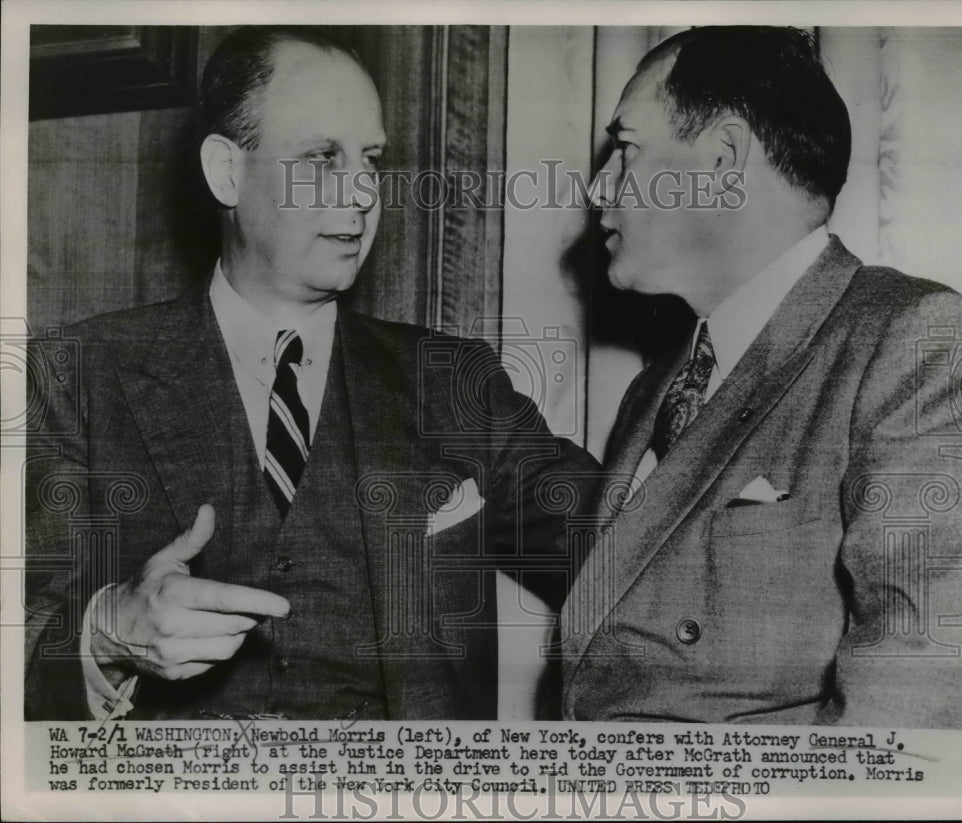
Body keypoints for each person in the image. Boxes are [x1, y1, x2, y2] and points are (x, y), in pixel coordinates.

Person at [24, 26, 599, 721]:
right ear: (226, 171)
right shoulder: (77, 377)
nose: (362, 193)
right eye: (322, 158)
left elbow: (632, 543)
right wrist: (105, 634)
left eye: (371, 160)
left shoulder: (453, 382)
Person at [562, 26, 962, 728]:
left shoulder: (914, 341)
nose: (600, 187)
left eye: (626, 149)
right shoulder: (653, 390)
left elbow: (917, 695)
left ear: (723, 158)